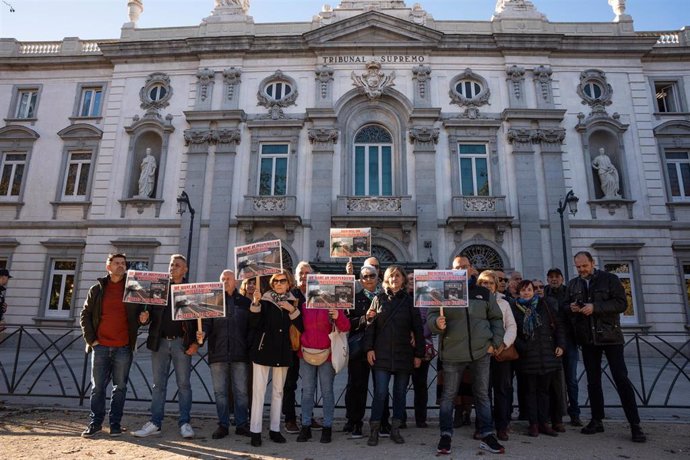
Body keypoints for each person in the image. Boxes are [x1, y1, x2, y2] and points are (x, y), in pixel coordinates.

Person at [428, 256, 505, 455]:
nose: (461, 270)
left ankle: (487, 434)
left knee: (482, 395)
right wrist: (437, 323)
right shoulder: (441, 290)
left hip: (481, 352)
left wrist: (495, 343)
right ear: (450, 270)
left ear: (471, 269)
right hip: (453, 353)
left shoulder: (483, 292)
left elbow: (496, 318)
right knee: (448, 396)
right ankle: (445, 435)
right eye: (457, 267)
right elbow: (431, 317)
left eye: (464, 266)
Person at [567, 251, 646, 443]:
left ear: (592, 263)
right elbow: (566, 305)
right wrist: (572, 308)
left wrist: (595, 307)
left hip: (610, 337)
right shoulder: (574, 283)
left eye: (584, 266)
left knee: (621, 378)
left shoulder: (610, 279)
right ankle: (596, 420)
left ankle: (635, 424)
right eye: (578, 267)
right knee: (593, 381)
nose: (581, 270)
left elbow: (621, 303)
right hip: (588, 340)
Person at [133, 254, 200, 439]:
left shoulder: (190, 290)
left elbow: (198, 320)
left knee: (184, 385)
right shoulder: (158, 287)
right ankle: (155, 423)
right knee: (158, 385)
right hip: (160, 342)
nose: (173, 268)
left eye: (177, 265)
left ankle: (185, 423)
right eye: (171, 265)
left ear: (185, 269)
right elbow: (148, 314)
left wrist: (196, 342)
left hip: (181, 343)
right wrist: (144, 319)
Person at [79, 254, 145, 438]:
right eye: (116, 263)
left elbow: (140, 317)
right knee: (97, 387)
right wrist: (92, 341)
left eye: (123, 263)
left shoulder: (134, 290)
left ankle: (115, 424)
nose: (120, 266)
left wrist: (144, 319)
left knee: (120, 387)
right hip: (100, 347)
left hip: (123, 347)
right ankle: (95, 423)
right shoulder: (97, 289)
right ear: (108, 266)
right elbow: (85, 315)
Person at [364, 265, 424, 447]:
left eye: (398, 276)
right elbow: (370, 326)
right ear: (386, 280)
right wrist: (369, 349)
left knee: (399, 394)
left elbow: (418, 330)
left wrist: (419, 354)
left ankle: (395, 429)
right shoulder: (378, 299)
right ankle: (374, 430)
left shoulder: (410, 301)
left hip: (404, 354)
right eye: (391, 276)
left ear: (403, 279)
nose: (394, 279)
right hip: (381, 354)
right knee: (380, 393)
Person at [248, 269, 304, 447]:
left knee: (278, 392)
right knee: (259, 392)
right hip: (264, 350)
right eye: (276, 281)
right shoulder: (264, 299)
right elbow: (253, 323)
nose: (279, 284)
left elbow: (301, 327)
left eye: (282, 281)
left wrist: (293, 310)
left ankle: (275, 430)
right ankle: (255, 431)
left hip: (283, 351)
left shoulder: (293, 301)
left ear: (289, 284)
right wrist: (255, 303)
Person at [296, 263, 350, 444]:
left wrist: (338, 315)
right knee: (307, 393)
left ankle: (327, 427)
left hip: (327, 355)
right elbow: (298, 327)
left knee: (327, 392)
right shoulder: (304, 305)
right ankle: (305, 426)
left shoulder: (333, 304)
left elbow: (345, 327)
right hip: (306, 354)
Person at [511, 279, 565, 437]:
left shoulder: (545, 305)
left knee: (544, 392)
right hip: (527, 357)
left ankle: (544, 423)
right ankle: (533, 424)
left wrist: (561, 345)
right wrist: (523, 346)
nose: (526, 292)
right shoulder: (515, 308)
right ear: (518, 292)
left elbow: (558, 326)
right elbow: (511, 330)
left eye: (529, 289)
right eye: (523, 290)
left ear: (534, 291)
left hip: (546, 355)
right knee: (530, 392)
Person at [205, 269, 252, 439]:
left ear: (236, 282)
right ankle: (223, 425)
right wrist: (202, 333)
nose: (225, 281)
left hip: (240, 354)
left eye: (229, 278)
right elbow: (206, 324)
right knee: (220, 392)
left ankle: (242, 424)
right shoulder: (212, 301)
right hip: (218, 353)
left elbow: (251, 328)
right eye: (222, 278)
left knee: (241, 391)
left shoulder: (246, 302)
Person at [477, 270, 517, 442]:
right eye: (483, 283)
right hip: (481, 353)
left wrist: (503, 344)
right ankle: (483, 426)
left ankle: (502, 426)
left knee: (501, 390)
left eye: (490, 283)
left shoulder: (504, 303)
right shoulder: (472, 302)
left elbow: (511, 326)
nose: (487, 286)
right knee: (482, 392)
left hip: (500, 353)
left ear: (495, 285)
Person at [344, 263, 382, 438]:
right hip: (359, 349)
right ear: (360, 279)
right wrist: (364, 318)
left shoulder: (384, 297)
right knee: (357, 387)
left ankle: (382, 422)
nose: (368, 279)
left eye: (371, 276)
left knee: (381, 388)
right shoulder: (353, 298)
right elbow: (346, 323)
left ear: (377, 277)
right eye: (365, 276)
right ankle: (354, 422)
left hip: (380, 349)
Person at [544, 267, 582, 427]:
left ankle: (575, 413)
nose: (554, 279)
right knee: (550, 380)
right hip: (551, 343)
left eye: (557, 277)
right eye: (551, 277)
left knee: (571, 379)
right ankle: (553, 414)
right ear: (547, 279)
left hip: (570, 341)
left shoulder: (570, 292)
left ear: (562, 278)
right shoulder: (543, 293)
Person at [282, 261, 313, 434]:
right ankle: (290, 418)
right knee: (290, 384)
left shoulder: (316, 294)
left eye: (307, 273)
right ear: (296, 275)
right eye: (301, 273)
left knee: (309, 385)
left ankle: (307, 416)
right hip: (293, 346)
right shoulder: (290, 295)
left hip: (312, 345)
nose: (304, 276)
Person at [407, 271, 433, 428]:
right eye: (409, 279)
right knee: (401, 384)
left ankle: (421, 418)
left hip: (422, 346)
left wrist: (417, 336)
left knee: (421, 384)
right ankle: (400, 418)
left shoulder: (426, 299)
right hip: (403, 346)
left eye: (415, 279)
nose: (412, 282)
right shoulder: (402, 298)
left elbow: (430, 322)